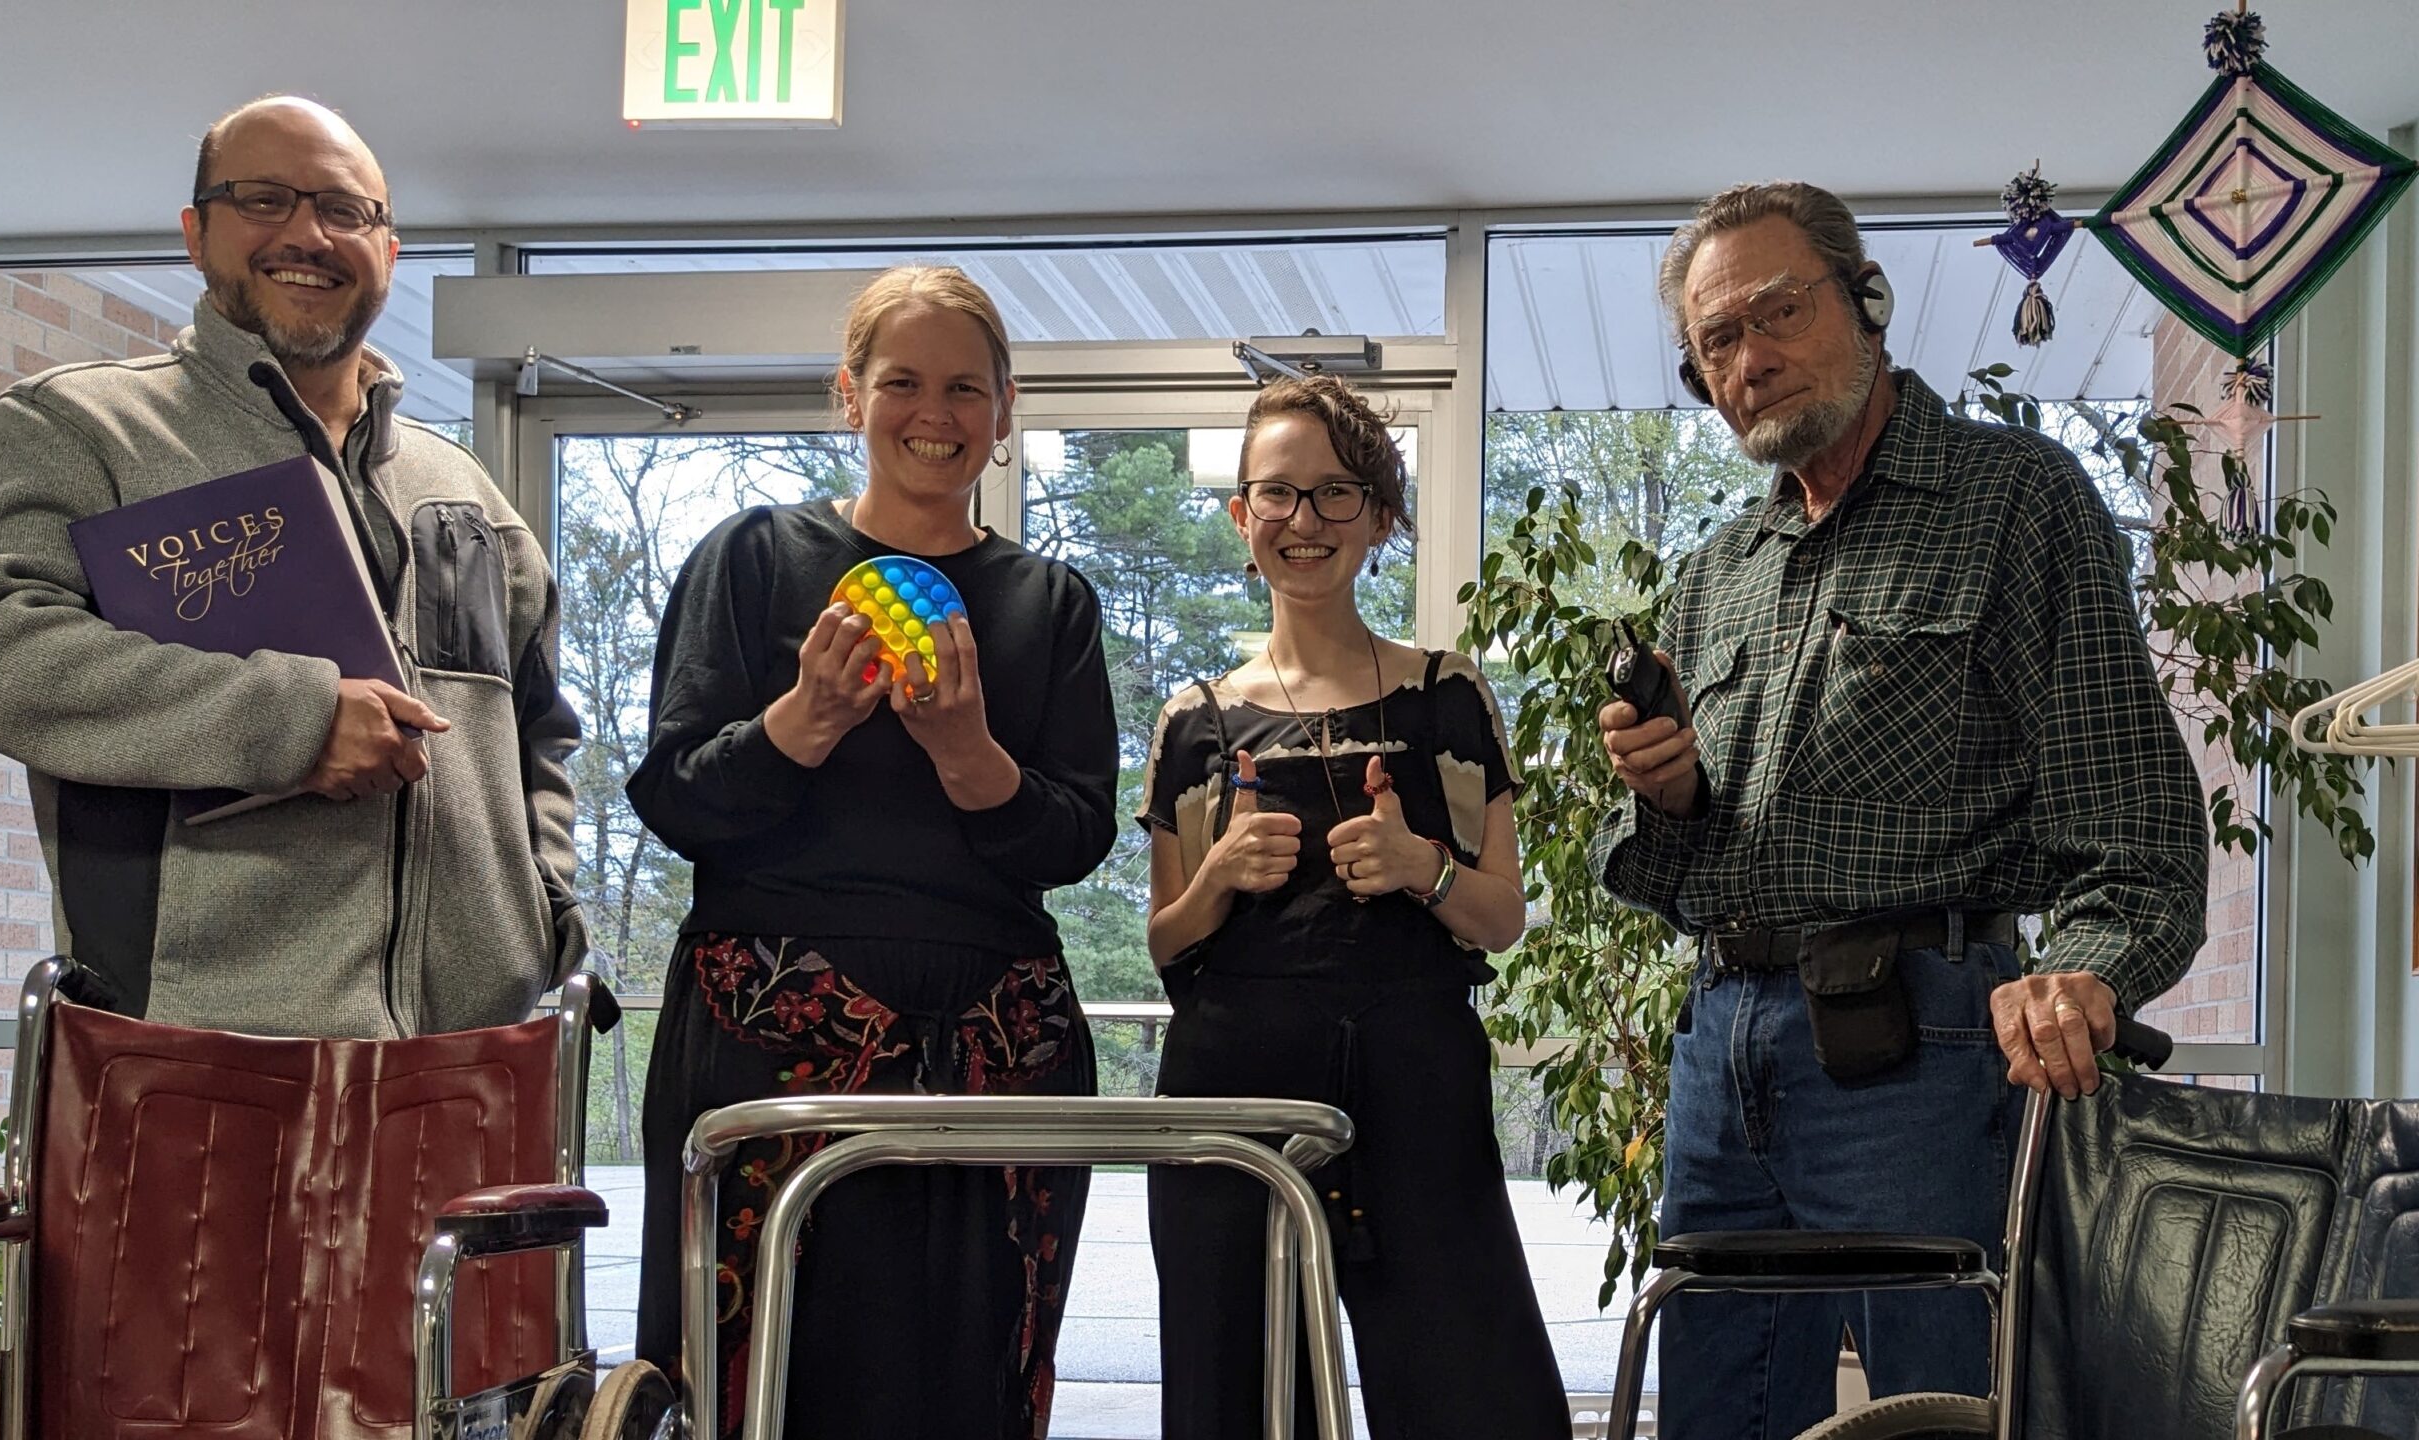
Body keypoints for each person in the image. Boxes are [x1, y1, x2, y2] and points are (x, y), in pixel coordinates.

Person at [1595, 180, 2209, 1438]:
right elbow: (1680, 868)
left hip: (1919, 1053)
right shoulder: (1720, 570)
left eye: (1778, 312)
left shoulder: (2016, 502)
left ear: (1867, 302)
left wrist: (2082, 975)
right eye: (1716, 342)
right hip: (1722, 1054)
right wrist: (1670, 798)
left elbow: (2136, 830)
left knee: (1948, 1417)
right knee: (1714, 1416)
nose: (1751, 360)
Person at [0, 95, 586, 1038]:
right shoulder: (84, 430)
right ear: (196, 233)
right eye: (264, 199)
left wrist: (543, 915)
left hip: (465, 1045)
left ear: (388, 249)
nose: (308, 233)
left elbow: (539, 730)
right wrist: (293, 722)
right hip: (193, 1045)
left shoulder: (459, 484)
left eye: (346, 211)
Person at [626, 265, 1118, 1439]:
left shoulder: (1051, 602)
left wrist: (967, 752)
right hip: (770, 1031)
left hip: (995, 1040)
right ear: (849, 395)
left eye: (964, 387)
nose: (932, 415)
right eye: (901, 381)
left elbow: (1076, 834)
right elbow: (675, 798)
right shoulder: (750, 559)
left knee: (973, 1368)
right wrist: (804, 724)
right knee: (763, 1370)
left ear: (1006, 411)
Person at [1141, 376, 1573, 1438]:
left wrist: (1421, 867)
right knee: (1231, 1387)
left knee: (1470, 1380)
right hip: (1227, 1091)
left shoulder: (1446, 695)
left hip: (1416, 1077)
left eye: (1336, 494)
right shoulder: (1192, 722)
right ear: (1241, 516)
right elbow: (1165, 941)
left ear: (1381, 517)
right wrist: (1218, 874)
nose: (1304, 521)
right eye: (1277, 495)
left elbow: (1501, 916)